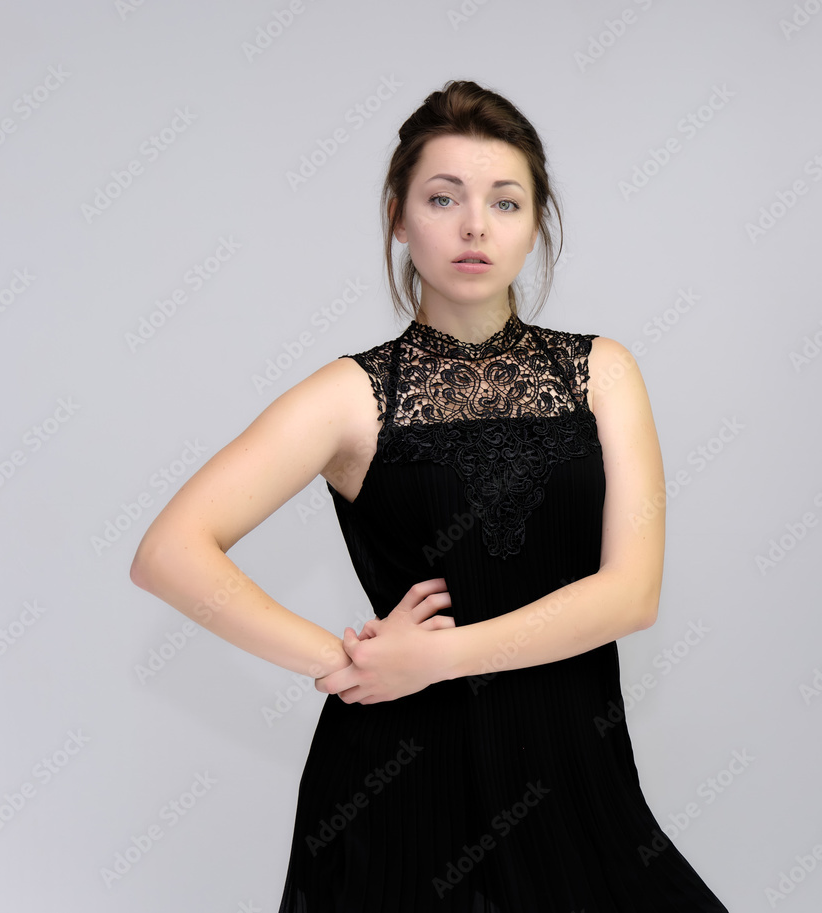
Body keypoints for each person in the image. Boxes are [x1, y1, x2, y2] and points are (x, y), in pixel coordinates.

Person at [130, 79, 729, 911]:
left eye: (505, 201)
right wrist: (346, 661)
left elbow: (632, 594)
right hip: (400, 788)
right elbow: (168, 552)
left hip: (574, 772)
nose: (475, 225)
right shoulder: (350, 396)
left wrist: (439, 657)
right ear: (399, 218)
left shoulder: (603, 373)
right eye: (443, 198)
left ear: (535, 224)